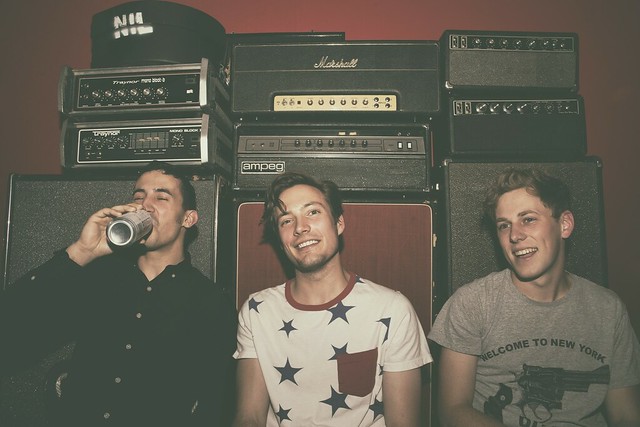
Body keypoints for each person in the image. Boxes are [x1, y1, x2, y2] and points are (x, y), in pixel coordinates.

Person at [0, 161, 237, 426]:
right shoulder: (99, 279)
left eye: (161, 197)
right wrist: (81, 251)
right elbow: (11, 326)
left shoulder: (210, 302)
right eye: (138, 197)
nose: (145, 206)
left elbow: (215, 403)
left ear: (188, 218)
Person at [428, 168, 640, 427]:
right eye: (504, 225)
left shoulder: (608, 309)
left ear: (564, 224)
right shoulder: (473, 303)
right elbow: (452, 413)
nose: (514, 236)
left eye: (528, 219)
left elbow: (626, 415)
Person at [232, 172, 432, 427]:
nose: (300, 227)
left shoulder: (392, 310)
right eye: (286, 220)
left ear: (338, 224)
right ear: (280, 241)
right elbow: (249, 417)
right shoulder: (257, 311)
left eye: (313, 212)